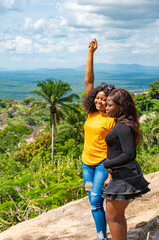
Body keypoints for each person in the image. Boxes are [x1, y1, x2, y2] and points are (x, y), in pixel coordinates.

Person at [102, 88, 150, 240]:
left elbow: (129, 154)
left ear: (120, 107)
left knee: (112, 218)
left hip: (124, 177)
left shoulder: (123, 127)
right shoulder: (123, 123)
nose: (106, 107)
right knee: (118, 216)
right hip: (123, 174)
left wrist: (107, 163)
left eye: (110, 105)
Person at [82, 38, 116, 240]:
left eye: (104, 99)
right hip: (87, 164)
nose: (99, 101)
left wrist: (112, 173)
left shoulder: (111, 119)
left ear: (110, 101)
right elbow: (88, 81)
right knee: (93, 203)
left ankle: (102, 236)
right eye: (97, 97)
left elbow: (117, 148)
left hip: (103, 165)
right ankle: (102, 236)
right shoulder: (91, 113)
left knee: (96, 200)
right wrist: (91, 54)